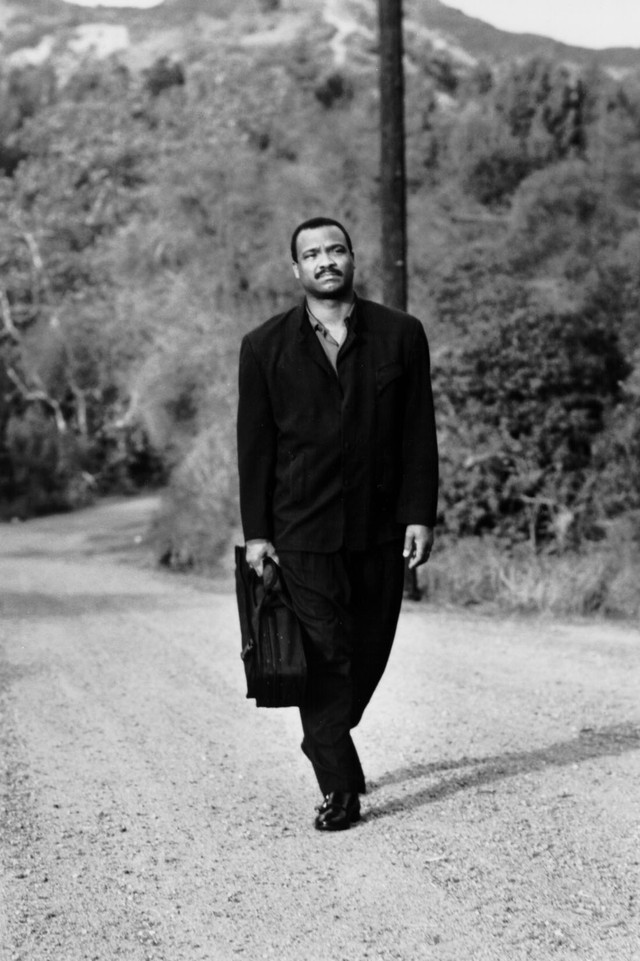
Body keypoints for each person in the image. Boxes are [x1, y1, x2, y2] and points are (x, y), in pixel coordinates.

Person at [236, 216, 438, 831]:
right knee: (326, 655)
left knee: (369, 651)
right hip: (302, 530)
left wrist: (419, 514)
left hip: (380, 527)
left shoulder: (401, 334)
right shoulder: (264, 346)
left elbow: (418, 433)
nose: (326, 261)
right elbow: (255, 447)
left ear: (352, 258)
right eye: (312, 254)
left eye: (336, 250)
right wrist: (258, 533)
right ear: (295, 269)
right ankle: (339, 786)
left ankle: (326, 734)